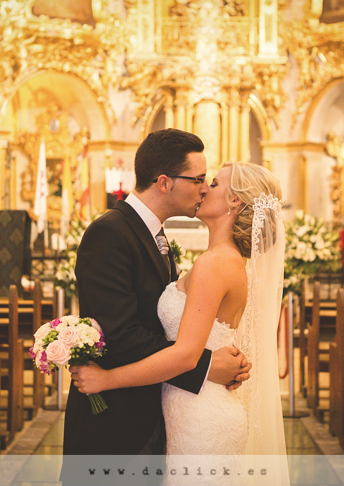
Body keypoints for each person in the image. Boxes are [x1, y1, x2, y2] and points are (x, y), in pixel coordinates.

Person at [72, 162, 290, 485]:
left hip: (201, 418)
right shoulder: (224, 260)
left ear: (234, 201)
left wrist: (106, 380)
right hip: (192, 408)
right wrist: (215, 362)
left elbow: (186, 355)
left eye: (213, 183)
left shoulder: (215, 264)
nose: (204, 188)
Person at [61, 130, 251, 465]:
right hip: (113, 429)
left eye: (209, 181)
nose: (204, 188)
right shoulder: (110, 233)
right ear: (164, 182)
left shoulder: (155, 234)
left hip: (151, 416)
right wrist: (205, 365)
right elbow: (119, 336)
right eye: (198, 179)